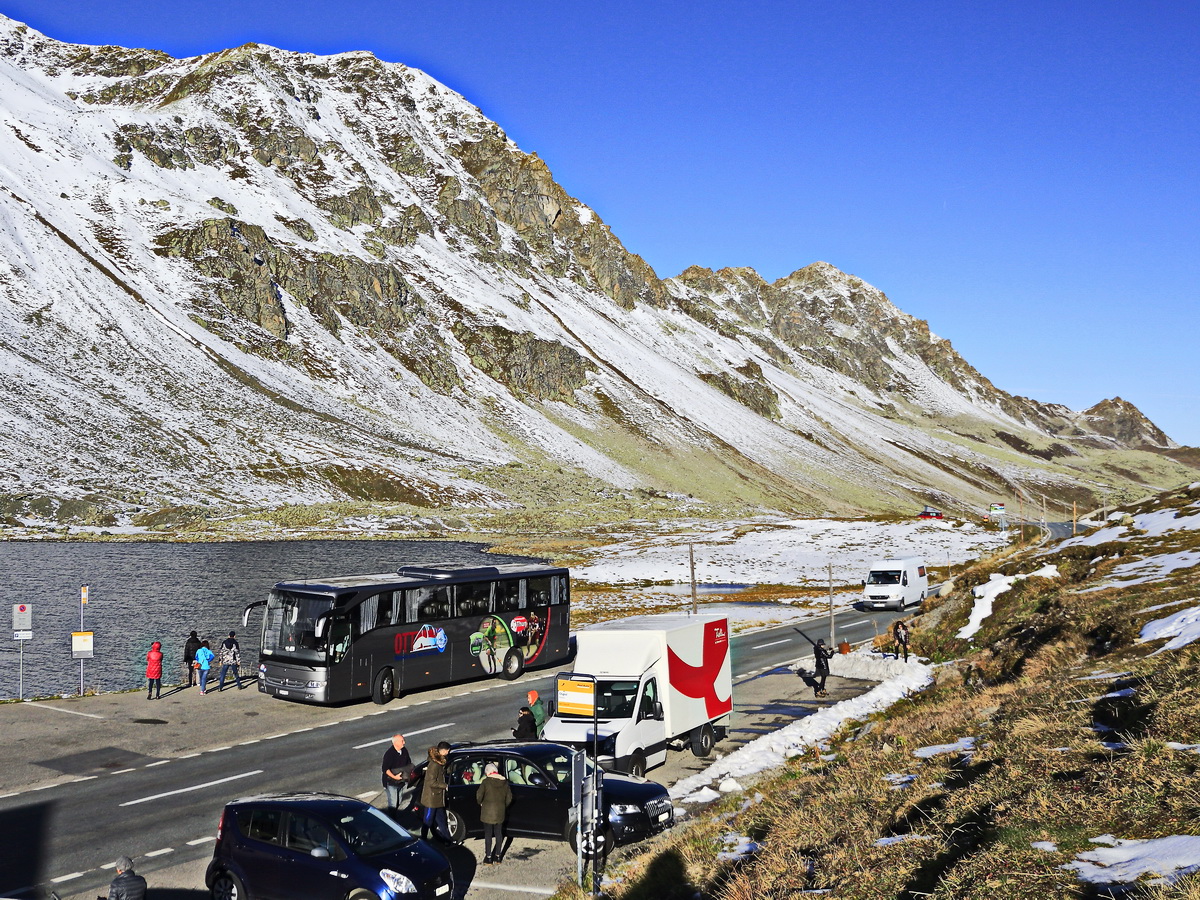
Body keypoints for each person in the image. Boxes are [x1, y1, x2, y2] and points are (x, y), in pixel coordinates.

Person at [476, 762, 512, 865]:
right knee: (498, 833)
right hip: (500, 812)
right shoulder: (504, 782)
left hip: (487, 812)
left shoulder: (486, 782)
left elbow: (479, 796)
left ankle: (488, 857)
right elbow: (509, 798)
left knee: (488, 834)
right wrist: (503, 806)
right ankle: (498, 856)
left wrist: (481, 803)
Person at [419, 742, 451, 841]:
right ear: (444, 751)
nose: (448, 752)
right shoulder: (434, 765)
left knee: (441, 820)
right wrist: (444, 786)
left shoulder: (439, 762)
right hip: (431, 799)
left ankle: (447, 840)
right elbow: (431, 782)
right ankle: (423, 840)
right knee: (427, 821)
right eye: (448, 751)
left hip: (437, 797)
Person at [381, 734, 414, 810]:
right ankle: (392, 819)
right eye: (402, 741)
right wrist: (395, 777)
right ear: (395, 743)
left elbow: (408, 763)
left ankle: (394, 815)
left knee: (399, 800)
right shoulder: (389, 754)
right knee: (393, 803)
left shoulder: (404, 750)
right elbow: (385, 769)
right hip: (391, 782)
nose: (404, 742)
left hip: (401, 781)